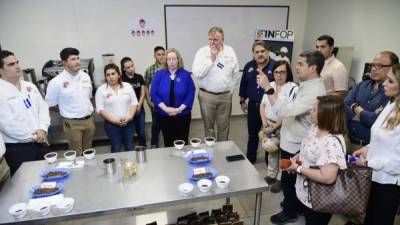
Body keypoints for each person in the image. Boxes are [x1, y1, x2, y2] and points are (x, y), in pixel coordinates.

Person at [258, 50, 326, 224]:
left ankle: (290, 212)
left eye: (301, 64)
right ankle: (294, 205)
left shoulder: (314, 91)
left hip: (297, 144)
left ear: (313, 68)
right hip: (292, 140)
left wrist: (268, 88)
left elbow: (286, 110)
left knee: (290, 181)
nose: (296, 67)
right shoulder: (306, 85)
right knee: (293, 180)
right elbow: (289, 105)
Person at [287, 95, 347, 225]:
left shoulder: (331, 142)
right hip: (306, 195)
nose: (310, 111)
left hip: (320, 200)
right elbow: (309, 148)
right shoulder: (315, 127)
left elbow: (328, 177)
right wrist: (298, 157)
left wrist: (298, 168)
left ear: (325, 114)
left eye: (314, 109)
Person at [353, 64, 400, 225]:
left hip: (389, 182)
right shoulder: (392, 104)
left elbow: (397, 164)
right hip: (375, 175)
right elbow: (379, 136)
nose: (384, 84)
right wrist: (367, 148)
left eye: (390, 81)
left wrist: (368, 163)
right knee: (370, 217)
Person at [0, 50, 50, 175]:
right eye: (11, 64)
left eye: (17, 62)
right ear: (1, 71)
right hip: (19, 149)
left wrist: (43, 129)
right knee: (25, 186)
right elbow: (7, 124)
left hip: (41, 143)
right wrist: (35, 136)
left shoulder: (29, 86)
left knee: (45, 179)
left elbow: (42, 109)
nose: (17, 66)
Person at [344, 51, 398, 154]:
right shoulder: (362, 85)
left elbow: (376, 120)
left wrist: (357, 109)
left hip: (369, 149)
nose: (373, 69)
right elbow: (344, 105)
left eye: (380, 66)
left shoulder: (391, 93)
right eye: (373, 65)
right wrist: (356, 113)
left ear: (393, 68)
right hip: (347, 141)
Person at [192, 26, 240, 141]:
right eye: (210, 39)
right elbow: (197, 73)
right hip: (206, 96)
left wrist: (231, 90)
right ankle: (211, 150)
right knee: (209, 127)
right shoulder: (202, 52)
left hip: (225, 96)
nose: (212, 42)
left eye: (216, 40)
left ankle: (222, 151)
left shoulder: (230, 51)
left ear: (222, 40)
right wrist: (212, 59)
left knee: (224, 127)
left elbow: (236, 73)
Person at [260, 60, 298, 193]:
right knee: (271, 151)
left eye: (282, 72)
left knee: (283, 154)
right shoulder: (269, 85)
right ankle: (271, 174)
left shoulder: (293, 88)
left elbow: (288, 111)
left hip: (284, 126)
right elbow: (262, 105)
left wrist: (275, 127)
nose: (279, 75)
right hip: (268, 124)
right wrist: (265, 124)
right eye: (276, 72)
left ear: (288, 73)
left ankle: (280, 179)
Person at [239, 40, 276, 164]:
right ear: (253, 53)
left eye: (262, 51)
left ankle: (269, 161)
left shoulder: (275, 66)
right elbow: (243, 84)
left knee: (269, 134)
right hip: (253, 105)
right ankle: (251, 158)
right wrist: (242, 101)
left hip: (269, 107)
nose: (260, 54)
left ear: (268, 51)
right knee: (252, 134)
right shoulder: (249, 66)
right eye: (257, 52)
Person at [150, 48, 195, 147]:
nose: (171, 62)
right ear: (165, 61)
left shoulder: (186, 75)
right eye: (169, 59)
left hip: (183, 115)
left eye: (174, 59)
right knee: (168, 141)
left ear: (178, 60)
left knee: (182, 141)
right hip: (164, 115)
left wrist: (179, 109)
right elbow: (153, 93)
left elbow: (191, 93)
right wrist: (165, 108)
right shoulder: (159, 74)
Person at [95, 63, 138, 153]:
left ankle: (130, 166)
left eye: (113, 74)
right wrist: (115, 121)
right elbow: (100, 109)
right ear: (105, 77)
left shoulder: (127, 86)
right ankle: (116, 167)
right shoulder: (101, 90)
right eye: (108, 75)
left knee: (129, 147)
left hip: (128, 124)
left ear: (118, 75)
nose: (111, 77)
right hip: (112, 126)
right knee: (116, 147)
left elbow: (134, 103)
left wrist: (130, 117)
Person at [121, 57, 146, 147]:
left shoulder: (139, 77)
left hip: (140, 109)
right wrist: (133, 108)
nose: (131, 68)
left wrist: (138, 106)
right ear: (124, 69)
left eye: (132, 66)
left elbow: (143, 93)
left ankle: (143, 148)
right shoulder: (121, 79)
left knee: (141, 132)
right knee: (129, 133)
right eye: (128, 67)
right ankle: (129, 150)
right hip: (128, 111)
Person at [144, 46, 165, 148]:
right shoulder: (150, 70)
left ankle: (168, 144)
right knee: (156, 124)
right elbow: (146, 86)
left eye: (163, 54)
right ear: (154, 56)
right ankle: (154, 144)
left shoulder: (170, 67)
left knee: (168, 124)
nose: (161, 56)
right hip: (155, 102)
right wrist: (148, 101)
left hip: (168, 102)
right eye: (158, 54)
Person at [316, 35, 348, 100]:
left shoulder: (338, 67)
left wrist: (319, 95)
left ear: (331, 48)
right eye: (317, 47)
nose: (319, 50)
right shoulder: (316, 63)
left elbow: (342, 94)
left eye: (323, 47)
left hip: (327, 107)